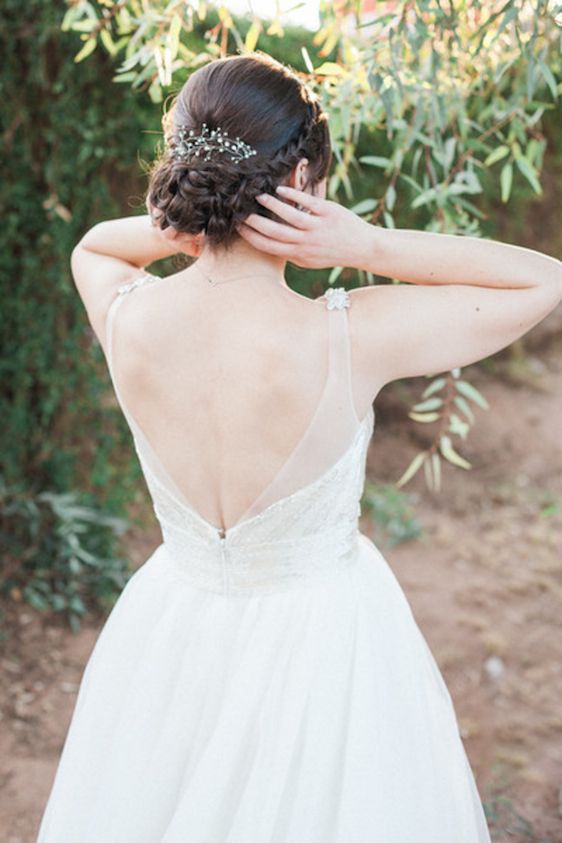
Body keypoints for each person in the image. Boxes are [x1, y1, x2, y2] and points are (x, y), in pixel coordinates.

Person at [36, 51, 562, 843]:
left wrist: (183, 225)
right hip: (323, 652)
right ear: (305, 184)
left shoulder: (126, 314)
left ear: (184, 178)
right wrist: (366, 243)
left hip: (171, 634)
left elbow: (93, 248)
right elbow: (540, 281)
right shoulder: (347, 334)